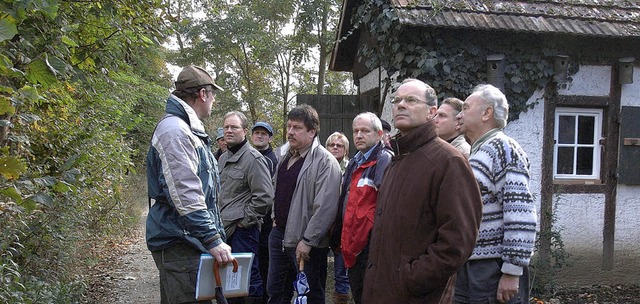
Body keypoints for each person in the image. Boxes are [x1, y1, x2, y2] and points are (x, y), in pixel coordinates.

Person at [361, 78, 482, 303]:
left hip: (417, 296)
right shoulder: (397, 160)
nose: (401, 104)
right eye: (397, 100)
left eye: (411, 100)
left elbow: (458, 243)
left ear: (431, 112)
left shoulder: (449, 161)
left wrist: (410, 278)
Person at [146, 65, 233, 304]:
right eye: (213, 94)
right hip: (180, 243)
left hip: (188, 241)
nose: (213, 100)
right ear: (203, 94)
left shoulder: (187, 129)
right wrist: (212, 239)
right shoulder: (176, 131)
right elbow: (187, 196)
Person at [454, 84, 537, 304]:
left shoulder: (503, 148)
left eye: (466, 107)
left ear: (487, 113)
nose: (460, 114)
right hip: (472, 264)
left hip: (492, 267)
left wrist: (512, 270)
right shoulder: (480, 151)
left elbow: (520, 211)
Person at [267, 104, 342, 304]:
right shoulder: (284, 156)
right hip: (279, 236)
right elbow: (277, 190)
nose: (290, 132)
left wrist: (308, 240)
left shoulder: (325, 162)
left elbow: (326, 207)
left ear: (312, 131)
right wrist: (275, 218)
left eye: (297, 128)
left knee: (308, 296)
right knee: (275, 291)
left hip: (306, 244)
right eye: (289, 126)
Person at [336, 112, 392, 304]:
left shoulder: (383, 159)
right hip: (352, 245)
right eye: (356, 131)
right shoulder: (354, 161)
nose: (359, 135)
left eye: (365, 131)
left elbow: (384, 206)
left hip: (370, 248)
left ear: (378, 134)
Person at [218, 111, 274, 304]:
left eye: (234, 127)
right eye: (226, 127)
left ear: (244, 131)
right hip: (225, 229)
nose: (229, 130)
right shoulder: (223, 158)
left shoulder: (254, 159)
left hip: (244, 231)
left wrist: (245, 221)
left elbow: (265, 196)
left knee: (249, 277)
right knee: (229, 277)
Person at [250, 121, 278, 304]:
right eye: (256, 133)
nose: (259, 136)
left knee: (265, 262)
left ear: (269, 137)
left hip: (267, 220)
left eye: (263, 134)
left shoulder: (273, 160)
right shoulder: (248, 156)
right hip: (249, 219)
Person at [324, 132, 351, 304]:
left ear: (346, 150)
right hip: (321, 224)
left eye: (339, 145)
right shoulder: (319, 165)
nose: (335, 147)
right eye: (331, 145)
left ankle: (341, 298)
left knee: (341, 271)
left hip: (342, 226)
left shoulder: (351, 168)